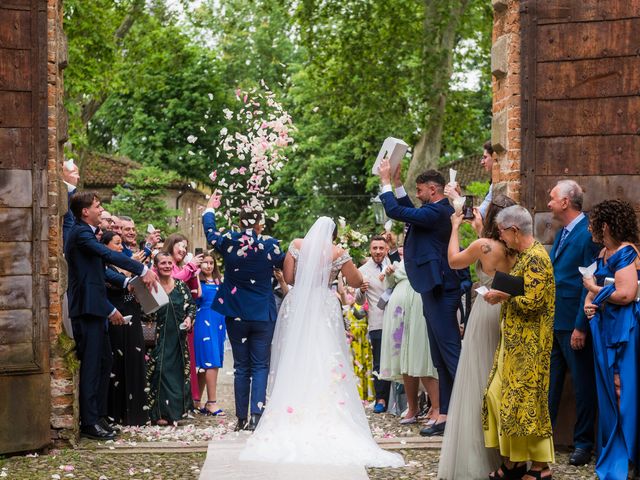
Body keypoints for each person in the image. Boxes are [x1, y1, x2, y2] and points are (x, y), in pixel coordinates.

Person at [239, 217, 404, 468]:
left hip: (298, 304)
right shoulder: (338, 252)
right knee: (327, 355)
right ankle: (328, 412)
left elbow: (290, 277)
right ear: (334, 235)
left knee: (296, 356)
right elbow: (357, 280)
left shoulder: (296, 244)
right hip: (324, 305)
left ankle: (291, 411)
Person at [378, 158, 461, 437]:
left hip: (441, 289)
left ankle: (465, 411)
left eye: (420, 190)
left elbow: (398, 211)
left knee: (450, 355)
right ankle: (445, 414)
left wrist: (386, 182)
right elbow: (410, 210)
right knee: (439, 358)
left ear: (433, 190)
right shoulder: (431, 210)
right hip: (430, 288)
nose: (418, 194)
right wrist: (398, 182)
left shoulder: (439, 212)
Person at [65, 191, 158, 439]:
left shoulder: (85, 234)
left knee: (105, 361)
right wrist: (141, 268)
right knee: (93, 365)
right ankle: (89, 422)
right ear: (85, 211)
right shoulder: (81, 233)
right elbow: (106, 258)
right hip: (87, 308)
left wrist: (128, 283)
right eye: (97, 206)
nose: (101, 209)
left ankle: (99, 415)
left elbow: (102, 272)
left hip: (96, 307)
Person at [437, 194, 516, 480]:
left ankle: (478, 455)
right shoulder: (514, 248)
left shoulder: (482, 246)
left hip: (485, 313)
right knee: (501, 380)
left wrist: (455, 227)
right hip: (508, 312)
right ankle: (508, 456)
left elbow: (454, 261)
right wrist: (479, 229)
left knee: (479, 378)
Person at [202, 194, 285, 431]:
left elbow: (210, 232)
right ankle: (256, 416)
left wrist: (209, 209)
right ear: (259, 225)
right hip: (262, 314)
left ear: (239, 224)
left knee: (241, 366)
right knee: (260, 365)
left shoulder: (229, 241)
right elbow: (284, 263)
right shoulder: (271, 244)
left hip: (236, 312)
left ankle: (240, 418)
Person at [483, 205, 555, 480]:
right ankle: (514, 461)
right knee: (499, 397)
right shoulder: (524, 256)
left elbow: (534, 303)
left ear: (514, 231)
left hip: (530, 344)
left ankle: (540, 467)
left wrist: (503, 296)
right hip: (514, 341)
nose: (501, 238)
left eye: (502, 232)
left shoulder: (536, 257)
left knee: (528, 404)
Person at [583, 199, 640, 480]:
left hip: (623, 327)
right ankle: (615, 451)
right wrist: (588, 301)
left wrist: (594, 290)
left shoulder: (627, 252)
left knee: (623, 389)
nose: (590, 227)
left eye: (594, 222)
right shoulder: (604, 251)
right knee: (608, 389)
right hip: (604, 325)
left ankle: (628, 456)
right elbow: (596, 286)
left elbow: (627, 293)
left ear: (604, 225)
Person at [546, 180, 599, 466]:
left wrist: (581, 325)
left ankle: (583, 443)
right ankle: (543, 442)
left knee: (582, 385)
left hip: (574, 324)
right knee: (550, 385)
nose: (549, 202)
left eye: (553, 198)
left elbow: (587, 284)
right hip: (553, 321)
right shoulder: (562, 232)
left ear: (566, 202)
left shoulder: (588, 233)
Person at [379, 255, 439, 427]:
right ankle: (412, 408)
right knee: (403, 358)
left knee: (421, 354)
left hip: (419, 306)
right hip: (399, 313)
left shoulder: (428, 253)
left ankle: (436, 407)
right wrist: (390, 273)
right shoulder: (401, 261)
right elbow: (389, 285)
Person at [101, 231, 148, 426]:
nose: (121, 248)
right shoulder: (104, 266)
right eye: (117, 244)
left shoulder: (123, 265)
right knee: (117, 365)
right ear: (106, 246)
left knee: (135, 361)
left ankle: (136, 414)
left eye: (121, 244)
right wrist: (128, 273)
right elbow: (113, 286)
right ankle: (116, 413)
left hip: (133, 316)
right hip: (117, 318)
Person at [144, 252, 197, 425]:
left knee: (177, 373)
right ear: (156, 266)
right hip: (158, 339)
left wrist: (189, 318)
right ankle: (159, 413)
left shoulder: (181, 286)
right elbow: (141, 310)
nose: (166, 266)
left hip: (178, 339)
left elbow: (191, 307)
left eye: (169, 263)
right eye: (163, 263)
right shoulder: (151, 286)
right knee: (159, 372)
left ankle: (176, 412)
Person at [164, 233, 203, 407]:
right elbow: (171, 282)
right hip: (169, 318)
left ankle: (187, 400)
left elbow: (196, 293)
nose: (184, 249)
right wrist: (189, 267)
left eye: (186, 246)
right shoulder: (165, 264)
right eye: (180, 245)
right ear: (171, 245)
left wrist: (194, 272)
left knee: (188, 360)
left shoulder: (183, 267)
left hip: (186, 317)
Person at [355, 235, 391, 413]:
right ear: (370, 250)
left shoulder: (393, 265)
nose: (378, 251)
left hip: (397, 322)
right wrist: (361, 291)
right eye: (374, 248)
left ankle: (397, 401)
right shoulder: (363, 270)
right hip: (377, 322)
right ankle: (381, 399)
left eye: (381, 248)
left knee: (398, 361)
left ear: (386, 249)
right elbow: (359, 301)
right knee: (379, 362)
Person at [194, 253, 226, 416]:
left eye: (211, 262)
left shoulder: (220, 281)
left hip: (219, 321)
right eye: (205, 263)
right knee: (209, 360)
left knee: (211, 360)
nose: (208, 266)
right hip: (203, 319)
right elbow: (197, 297)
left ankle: (197, 401)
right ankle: (211, 402)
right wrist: (194, 275)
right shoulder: (197, 281)